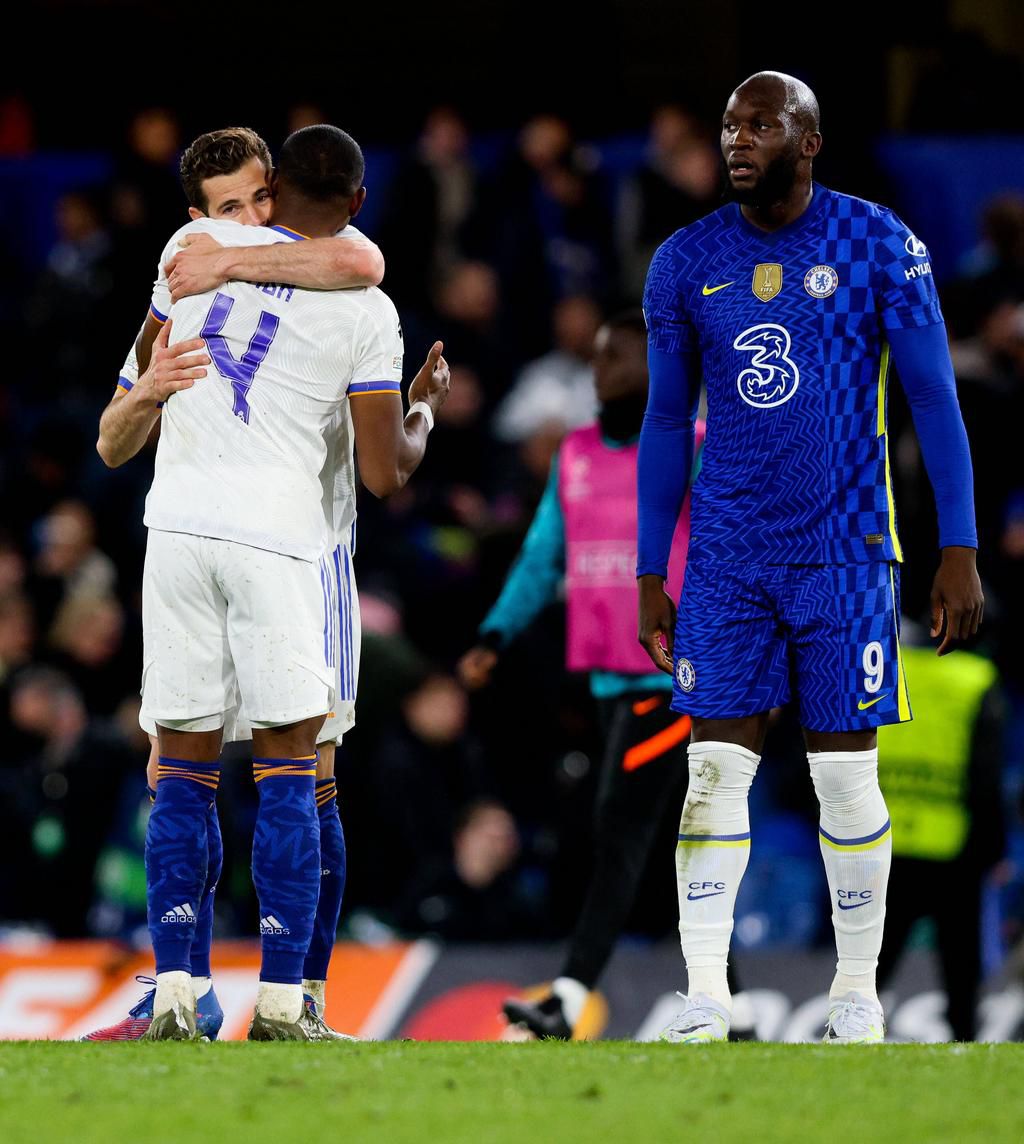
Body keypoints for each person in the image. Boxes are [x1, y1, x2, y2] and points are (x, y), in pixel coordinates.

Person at [637, 71, 983, 1044]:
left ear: (810, 139)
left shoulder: (879, 243)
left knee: (843, 779)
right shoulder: (684, 260)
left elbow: (935, 405)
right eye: (727, 126)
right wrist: (646, 570)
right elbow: (665, 420)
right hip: (728, 561)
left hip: (847, 554)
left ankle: (855, 996)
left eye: (760, 124)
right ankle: (706, 993)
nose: (737, 139)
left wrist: (956, 548)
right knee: (711, 772)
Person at [114, 124, 450, 1042]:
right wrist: (422, 408)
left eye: (259, 197)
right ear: (355, 198)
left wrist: (226, 265)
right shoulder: (364, 301)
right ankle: (284, 1000)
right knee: (298, 775)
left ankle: (178, 994)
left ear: (276, 187)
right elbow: (386, 474)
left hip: (175, 532)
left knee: (177, 771)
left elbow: (337, 253)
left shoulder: (188, 252)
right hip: (289, 545)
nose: (249, 217)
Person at [460, 312, 724, 1038]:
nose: (597, 370)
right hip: (608, 684)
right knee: (672, 842)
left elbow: (736, 544)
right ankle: (730, 1007)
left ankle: (568, 997)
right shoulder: (574, 453)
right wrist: (495, 634)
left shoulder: (696, 447)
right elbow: (544, 557)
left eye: (614, 358)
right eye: (598, 357)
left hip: (674, 682)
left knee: (621, 833)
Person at [876, 638, 1005, 1041]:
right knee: (961, 971)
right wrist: (993, 848)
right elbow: (985, 775)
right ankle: (964, 1043)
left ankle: (843, 1034)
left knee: (868, 965)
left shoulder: (885, 668)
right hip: (953, 848)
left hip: (883, 842)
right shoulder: (976, 680)